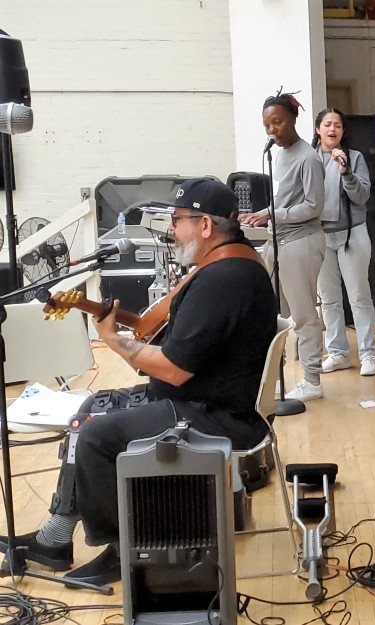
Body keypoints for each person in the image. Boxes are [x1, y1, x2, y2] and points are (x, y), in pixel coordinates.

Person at [0, 179, 278, 585]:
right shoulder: (226, 267)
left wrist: (111, 340)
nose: (171, 229)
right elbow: (161, 335)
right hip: (200, 399)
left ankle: (123, 551)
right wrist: (94, 310)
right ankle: (54, 538)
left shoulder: (224, 279)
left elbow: (172, 368)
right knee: (89, 411)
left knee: (97, 436)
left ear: (205, 226)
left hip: (215, 415)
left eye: (179, 220)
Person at [241, 91, 326, 401]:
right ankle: (273, 371)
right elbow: (285, 201)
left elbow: (314, 207)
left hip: (301, 241)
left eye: (277, 122)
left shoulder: (308, 157)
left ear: (293, 119)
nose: (272, 129)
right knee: (268, 308)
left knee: (303, 313)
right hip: (279, 241)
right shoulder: (278, 155)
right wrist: (261, 214)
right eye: (266, 125)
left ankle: (313, 380)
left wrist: (274, 214)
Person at [312, 108, 375, 376]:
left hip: (353, 234)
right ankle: (338, 353)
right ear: (318, 129)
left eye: (337, 125)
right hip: (319, 237)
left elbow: (362, 196)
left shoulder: (354, 157)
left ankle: (368, 354)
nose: (332, 129)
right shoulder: (309, 159)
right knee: (328, 299)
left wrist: (346, 172)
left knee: (359, 296)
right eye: (327, 124)